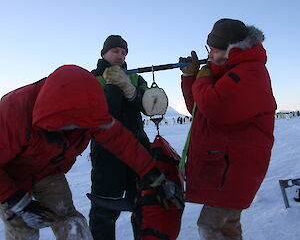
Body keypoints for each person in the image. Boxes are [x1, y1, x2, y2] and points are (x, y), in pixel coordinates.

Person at [0, 65, 183, 240]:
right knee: (23, 230)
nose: (79, 129)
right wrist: (18, 202)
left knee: (71, 221)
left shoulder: (89, 111)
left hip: (48, 172)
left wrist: (152, 174)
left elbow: (122, 142)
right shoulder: (13, 111)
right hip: (8, 176)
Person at [180, 18, 276, 240]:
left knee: (211, 226)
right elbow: (199, 110)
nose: (210, 55)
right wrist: (190, 78)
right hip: (226, 165)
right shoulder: (227, 71)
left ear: (230, 49)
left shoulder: (250, 72)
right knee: (226, 227)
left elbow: (214, 107)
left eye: (213, 50)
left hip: (235, 166)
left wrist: (202, 79)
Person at [88, 35, 162, 240]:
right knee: (104, 207)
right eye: (115, 51)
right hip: (106, 152)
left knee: (142, 205)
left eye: (123, 52)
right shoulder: (92, 79)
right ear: (103, 53)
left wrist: (131, 91)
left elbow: (151, 106)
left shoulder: (136, 78)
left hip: (138, 148)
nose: (120, 56)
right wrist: (111, 89)